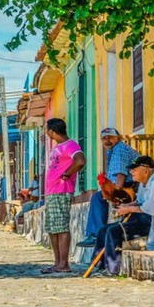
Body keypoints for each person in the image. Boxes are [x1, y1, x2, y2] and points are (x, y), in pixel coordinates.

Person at [91, 155, 154, 275]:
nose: (131, 172)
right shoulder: (143, 184)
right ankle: (98, 265)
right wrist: (127, 206)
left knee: (113, 232)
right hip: (142, 218)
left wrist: (129, 209)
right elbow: (140, 201)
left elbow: (152, 208)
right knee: (103, 230)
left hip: (152, 222)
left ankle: (112, 269)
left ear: (146, 171)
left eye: (135, 169)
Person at [76, 128, 141, 247]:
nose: (107, 140)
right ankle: (98, 233)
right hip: (130, 184)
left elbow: (120, 174)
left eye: (110, 137)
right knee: (100, 196)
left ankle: (95, 234)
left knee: (97, 198)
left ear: (117, 138)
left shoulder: (119, 150)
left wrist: (116, 194)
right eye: (104, 138)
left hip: (130, 186)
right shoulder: (114, 150)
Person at [41, 117, 86, 274]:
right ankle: (57, 262)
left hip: (61, 190)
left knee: (61, 227)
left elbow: (80, 161)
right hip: (52, 192)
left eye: (47, 130)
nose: (46, 133)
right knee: (53, 228)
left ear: (52, 131)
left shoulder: (70, 145)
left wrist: (67, 174)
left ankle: (64, 263)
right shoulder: (57, 147)